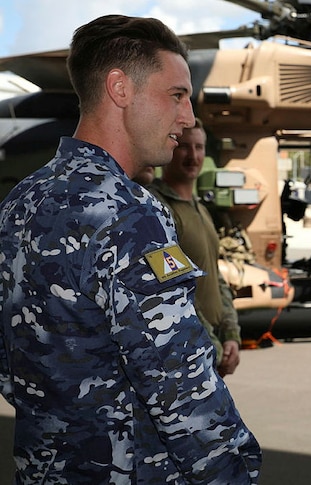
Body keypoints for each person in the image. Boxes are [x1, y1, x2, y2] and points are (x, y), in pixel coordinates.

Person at [0, 15, 261, 483]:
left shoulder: (21, 201)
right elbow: (180, 385)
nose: (189, 117)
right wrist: (234, 472)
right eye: (176, 95)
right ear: (120, 89)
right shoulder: (129, 213)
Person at [150, 118, 242, 377]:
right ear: (169, 148)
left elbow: (216, 276)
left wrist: (231, 334)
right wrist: (211, 344)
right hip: (187, 350)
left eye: (199, 148)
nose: (193, 156)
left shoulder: (201, 209)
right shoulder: (158, 209)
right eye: (184, 147)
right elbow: (174, 287)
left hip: (210, 348)